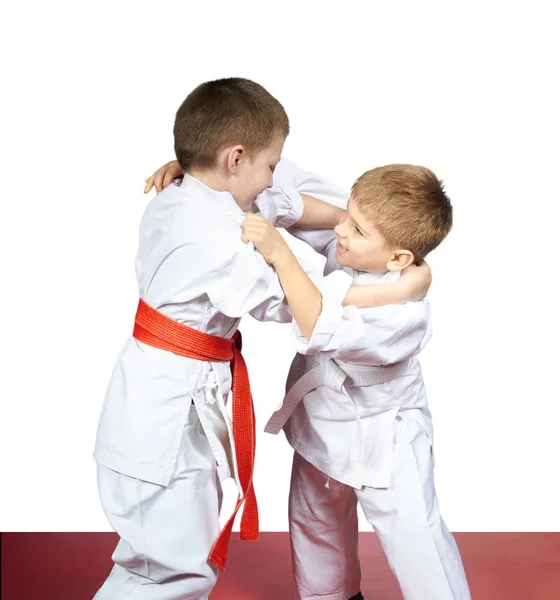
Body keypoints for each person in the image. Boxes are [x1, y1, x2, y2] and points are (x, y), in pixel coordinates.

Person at [94, 78, 430, 600]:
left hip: (149, 394)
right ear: (234, 158)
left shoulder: (185, 194)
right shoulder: (227, 241)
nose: (274, 178)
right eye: (269, 164)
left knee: (155, 557)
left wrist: (197, 165)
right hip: (166, 415)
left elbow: (275, 201)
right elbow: (304, 307)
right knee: (172, 570)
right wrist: (407, 284)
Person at [242, 162, 471, 600]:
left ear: (399, 258)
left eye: (357, 228)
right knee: (315, 521)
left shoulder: (404, 313)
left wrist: (280, 253)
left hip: (384, 436)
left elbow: (315, 322)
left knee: (415, 539)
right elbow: (280, 177)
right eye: (347, 214)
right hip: (322, 417)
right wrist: (206, 166)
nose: (341, 230)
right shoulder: (355, 246)